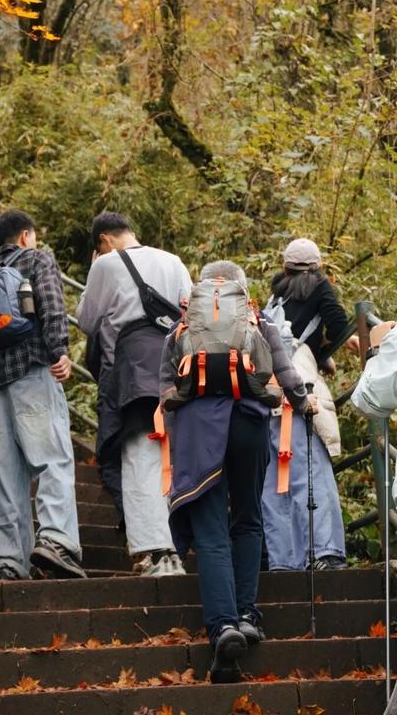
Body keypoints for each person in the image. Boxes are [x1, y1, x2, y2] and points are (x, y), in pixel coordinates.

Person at [161, 260, 315, 683]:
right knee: (247, 519)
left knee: (211, 532)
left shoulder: (183, 325)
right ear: (242, 290)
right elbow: (284, 372)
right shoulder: (256, 320)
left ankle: (223, 626)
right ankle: (247, 613)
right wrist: (303, 403)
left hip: (198, 430)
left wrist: (178, 452)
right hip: (247, 423)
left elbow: (165, 388)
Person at [0, 209, 85, 581]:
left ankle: (7, 559)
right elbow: (51, 304)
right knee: (51, 458)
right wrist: (60, 350)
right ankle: (55, 540)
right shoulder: (36, 259)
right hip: (31, 370)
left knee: (6, 473)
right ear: (25, 236)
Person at [76, 211, 192, 577]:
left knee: (139, 457)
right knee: (172, 457)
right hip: (177, 371)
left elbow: (86, 320)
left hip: (132, 374)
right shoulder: (172, 261)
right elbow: (192, 312)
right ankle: (178, 544)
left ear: (104, 240)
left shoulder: (106, 264)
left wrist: (97, 268)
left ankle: (157, 553)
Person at [261, 237, 358, 572]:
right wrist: (322, 354)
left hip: (266, 396)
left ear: (285, 266)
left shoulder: (275, 295)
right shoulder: (320, 287)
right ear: (318, 266)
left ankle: (284, 561)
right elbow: (338, 322)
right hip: (299, 393)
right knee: (311, 471)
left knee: (274, 481)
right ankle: (325, 553)